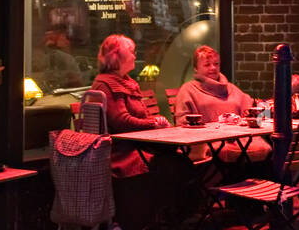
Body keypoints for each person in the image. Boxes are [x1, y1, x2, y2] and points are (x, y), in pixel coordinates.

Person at [174, 46, 271, 163]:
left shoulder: (230, 88)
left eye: (216, 64)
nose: (213, 68)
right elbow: (181, 123)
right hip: (208, 141)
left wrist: (269, 107)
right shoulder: (188, 90)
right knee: (227, 151)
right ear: (196, 68)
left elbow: (253, 107)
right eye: (207, 65)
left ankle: (268, 180)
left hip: (240, 138)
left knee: (269, 147)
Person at [91, 34, 169, 178]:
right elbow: (122, 121)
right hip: (123, 153)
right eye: (132, 53)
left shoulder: (127, 82)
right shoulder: (106, 85)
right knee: (176, 165)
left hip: (140, 145)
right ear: (117, 57)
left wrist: (157, 120)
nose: (134, 57)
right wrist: (153, 124)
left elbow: (143, 115)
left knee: (178, 160)